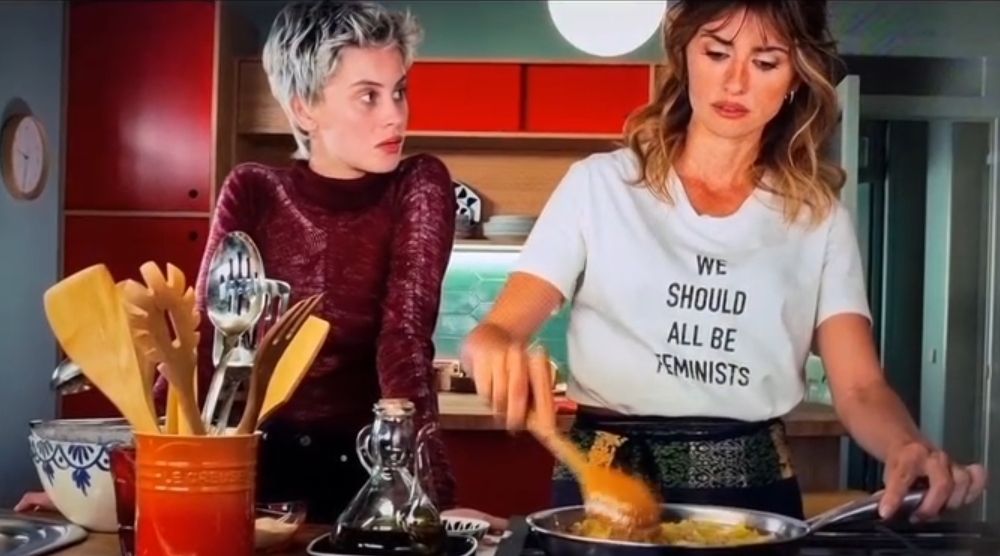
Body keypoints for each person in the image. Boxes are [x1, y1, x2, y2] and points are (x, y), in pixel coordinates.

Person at [461, 0, 987, 521]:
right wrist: (491, 349)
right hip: (602, 489)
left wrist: (905, 445)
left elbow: (860, 386)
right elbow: (499, 330)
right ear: (684, 54)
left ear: (796, 77)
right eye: (717, 53)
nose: (735, 82)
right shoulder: (598, 185)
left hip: (750, 501)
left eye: (766, 62)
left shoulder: (818, 218)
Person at [193, 0, 457, 522]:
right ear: (304, 109)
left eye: (399, 91)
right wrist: (128, 477)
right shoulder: (253, 190)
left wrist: (432, 499)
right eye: (368, 96)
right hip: (249, 468)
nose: (395, 114)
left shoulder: (418, 184)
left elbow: (403, 340)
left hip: (368, 473)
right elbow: (207, 341)